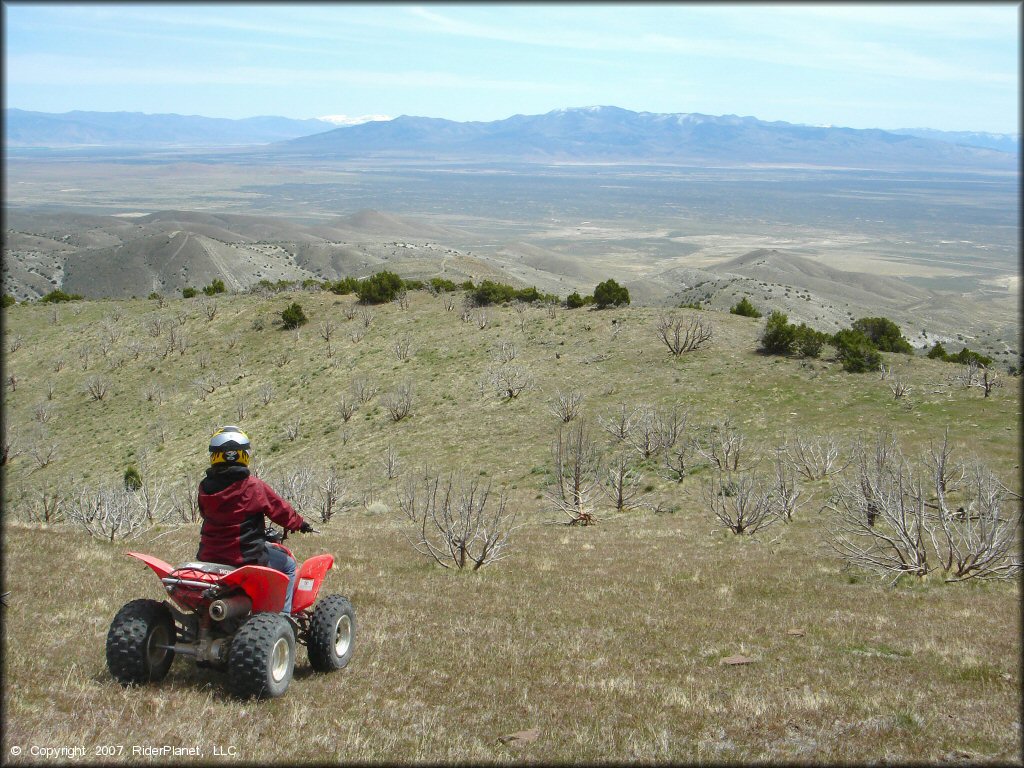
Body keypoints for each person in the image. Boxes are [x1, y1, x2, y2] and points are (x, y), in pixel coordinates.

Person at [196, 426, 312, 614]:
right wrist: (299, 523)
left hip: (209, 555)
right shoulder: (253, 486)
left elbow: (204, 513)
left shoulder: (204, 487)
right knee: (289, 565)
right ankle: (283, 618)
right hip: (245, 557)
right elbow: (279, 510)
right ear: (243, 454)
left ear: (215, 455)